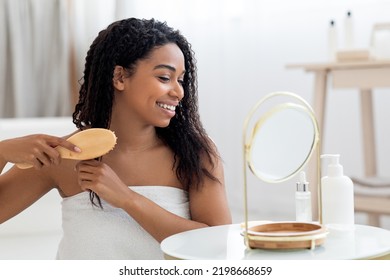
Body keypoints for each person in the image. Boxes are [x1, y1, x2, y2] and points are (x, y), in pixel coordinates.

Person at [0, 18, 232, 259]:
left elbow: (216, 245)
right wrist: (2, 152)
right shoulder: (65, 154)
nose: (179, 92)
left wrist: (127, 199)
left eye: (181, 80)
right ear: (120, 77)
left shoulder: (195, 154)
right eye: (165, 78)